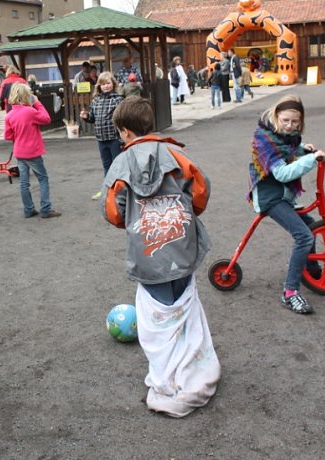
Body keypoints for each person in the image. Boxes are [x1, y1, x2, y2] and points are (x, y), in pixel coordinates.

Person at [101, 96, 219, 417]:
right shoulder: (176, 156)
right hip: (182, 247)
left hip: (148, 254)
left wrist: (133, 221)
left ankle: (168, 378)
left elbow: (113, 212)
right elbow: (200, 192)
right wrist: (183, 213)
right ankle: (193, 368)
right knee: (182, 306)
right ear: (149, 125)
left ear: (125, 132)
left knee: (158, 318)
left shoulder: (119, 165)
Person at [248, 95, 325, 314]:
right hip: (270, 198)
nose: (290, 126)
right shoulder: (263, 139)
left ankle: (312, 270)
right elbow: (283, 173)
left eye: (295, 122)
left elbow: (289, 148)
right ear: (276, 116)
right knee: (304, 236)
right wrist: (310, 160)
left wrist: (303, 149)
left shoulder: (286, 137)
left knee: (310, 225)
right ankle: (290, 292)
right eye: (285, 120)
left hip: (281, 195)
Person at [4, 83, 61, 219]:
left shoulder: (9, 115)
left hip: (19, 152)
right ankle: (45, 208)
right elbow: (46, 119)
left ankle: (28, 209)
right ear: (25, 96)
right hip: (33, 151)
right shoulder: (30, 112)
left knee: (24, 182)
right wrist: (37, 103)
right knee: (43, 178)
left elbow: (8, 136)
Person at [79, 72, 124, 200]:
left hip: (115, 139)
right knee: (106, 166)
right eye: (103, 84)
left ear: (113, 84)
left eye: (108, 83)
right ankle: (107, 190)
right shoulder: (95, 101)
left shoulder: (118, 100)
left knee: (117, 166)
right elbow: (92, 118)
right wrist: (86, 116)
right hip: (101, 139)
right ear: (99, 86)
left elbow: (122, 118)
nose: (106, 86)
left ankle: (120, 191)